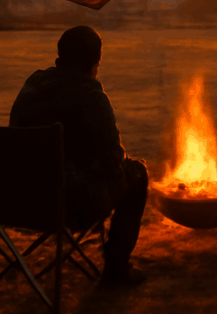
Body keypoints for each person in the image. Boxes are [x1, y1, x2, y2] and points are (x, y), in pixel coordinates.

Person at [9, 25, 149, 286]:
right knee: (136, 173)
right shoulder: (90, 94)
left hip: (15, 201)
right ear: (96, 60)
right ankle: (116, 270)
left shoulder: (33, 83)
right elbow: (113, 162)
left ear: (60, 55)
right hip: (65, 206)